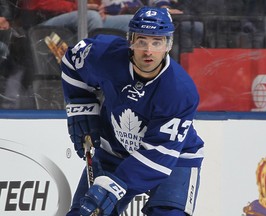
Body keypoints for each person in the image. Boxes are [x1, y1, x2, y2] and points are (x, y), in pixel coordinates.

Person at [61, 6, 204, 216]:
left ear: (168, 44)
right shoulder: (104, 55)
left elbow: (159, 155)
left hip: (173, 158)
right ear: (130, 40)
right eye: (142, 41)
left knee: (168, 213)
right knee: (84, 212)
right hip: (113, 150)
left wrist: (115, 186)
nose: (149, 51)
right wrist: (81, 108)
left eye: (157, 42)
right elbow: (71, 61)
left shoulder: (180, 91)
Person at [19, 0, 143, 33]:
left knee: (131, 21)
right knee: (91, 17)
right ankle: (94, 68)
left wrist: (98, 8)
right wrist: (80, 8)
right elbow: (42, 3)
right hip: (41, 22)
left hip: (76, 17)